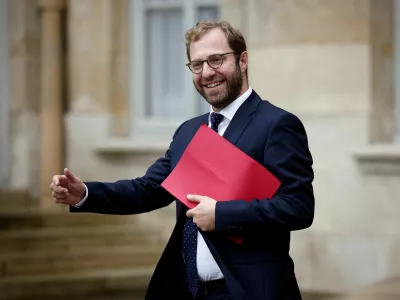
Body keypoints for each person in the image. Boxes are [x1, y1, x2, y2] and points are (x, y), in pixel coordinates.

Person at [50, 20, 314, 300]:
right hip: (189, 291)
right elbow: (148, 189)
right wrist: (85, 194)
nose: (207, 72)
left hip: (248, 292)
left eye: (216, 60)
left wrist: (222, 214)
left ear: (243, 60)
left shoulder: (277, 124)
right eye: (197, 65)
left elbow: (298, 206)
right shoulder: (189, 131)